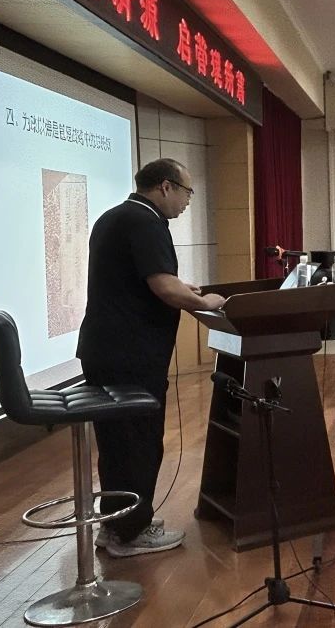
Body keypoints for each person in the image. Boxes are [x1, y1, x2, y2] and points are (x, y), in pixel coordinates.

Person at [79, 159, 227, 557]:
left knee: (118, 445)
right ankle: (131, 532)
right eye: (187, 192)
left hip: (106, 351)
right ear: (165, 186)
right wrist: (204, 301)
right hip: (130, 355)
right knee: (138, 443)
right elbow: (163, 288)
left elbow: (139, 280)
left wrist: (180, 286)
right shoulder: (146, 222)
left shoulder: (115, 216)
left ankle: (117, 524)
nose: (187, 201)